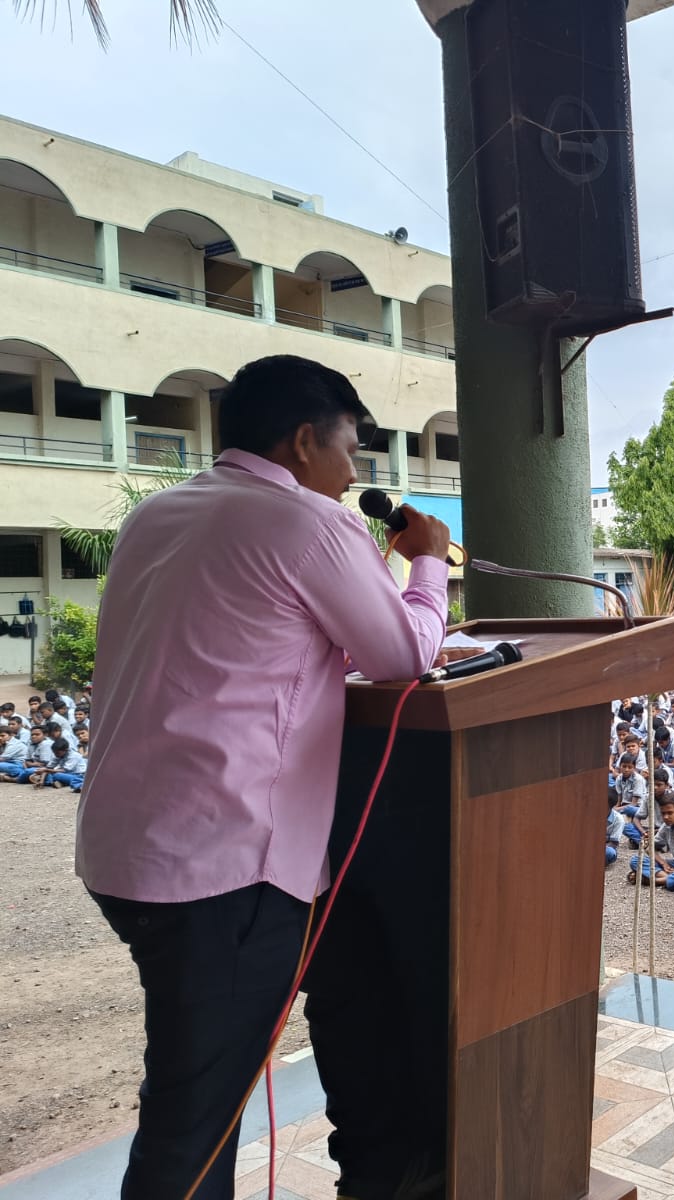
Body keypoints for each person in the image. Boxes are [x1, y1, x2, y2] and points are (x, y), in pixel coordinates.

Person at [75, 355, 451, 1200]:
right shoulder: (311, 525)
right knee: (193, 1127)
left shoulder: (158, 516)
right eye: (351, 451)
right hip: (220, 868)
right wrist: (428, 564)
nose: (356, 476)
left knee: (259, 1049)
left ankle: (385, 1168)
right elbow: (401, 655)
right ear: (307, 439)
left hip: (132, 852)